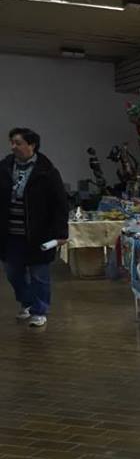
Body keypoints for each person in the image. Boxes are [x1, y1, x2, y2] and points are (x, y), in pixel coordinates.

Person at [0, 128, 68, 328]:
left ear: (32, 145)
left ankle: (40, 311)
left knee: (39, 274)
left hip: (39, 233)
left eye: (18, 143)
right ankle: (27, 302)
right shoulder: (4, 168)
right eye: (12, 142)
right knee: (12, 272)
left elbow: (60, 204)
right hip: (10, 233)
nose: (13, 147)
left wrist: (61, 232)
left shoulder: (47, 171)